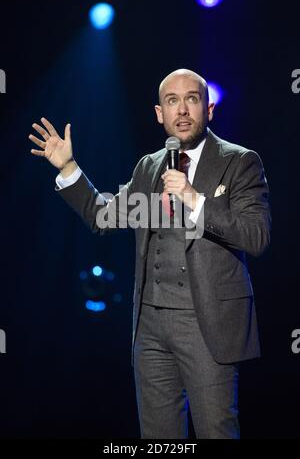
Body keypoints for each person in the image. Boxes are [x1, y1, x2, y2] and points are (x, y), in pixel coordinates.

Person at [29, 69, 271, 439]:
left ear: (209, 108)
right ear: (160, 113)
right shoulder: (149, 166)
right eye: (172, 101)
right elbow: (103, 216)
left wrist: (193, 198)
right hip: (151, 329)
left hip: (208, 326)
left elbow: (256, 236)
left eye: (192, 99)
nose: (183, 110)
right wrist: (69, 168)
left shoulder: (239, 162)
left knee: (216, 430)